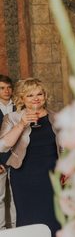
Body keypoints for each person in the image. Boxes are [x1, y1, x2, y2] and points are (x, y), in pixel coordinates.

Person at [0, 78, 62, 236]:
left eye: (39, 94)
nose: (36, 98)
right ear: (21, 98)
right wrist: (21, 124)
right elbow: (3, 146)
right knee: (29, 218)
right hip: (24, 177)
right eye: (29, 95)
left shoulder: (57, 118)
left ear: (45, 96)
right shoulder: (12, 118)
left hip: (52, 175)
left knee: (55, 217)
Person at [0, 75, 16, 230]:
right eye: (2, 88)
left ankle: (16, 229)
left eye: (9, 87)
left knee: (16, 197)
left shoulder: (20, 106)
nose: (6, 90)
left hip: (17, 159)